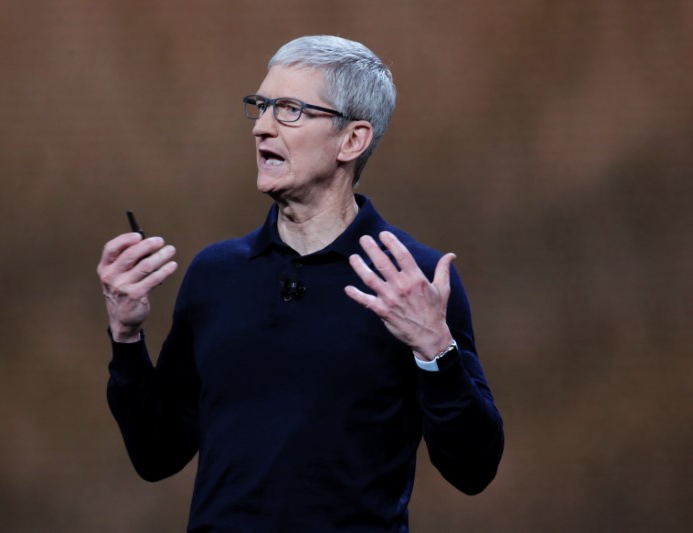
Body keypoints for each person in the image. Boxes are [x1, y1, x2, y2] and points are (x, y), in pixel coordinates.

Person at [97, 35, 504, 532]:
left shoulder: (412, 281)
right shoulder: (216, 274)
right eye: (261, 106)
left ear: (351, 140)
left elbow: (474, 468)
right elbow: (157, 453)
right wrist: (126, 338)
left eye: (289, 109)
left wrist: (436, 349)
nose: (262, 128)